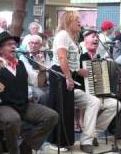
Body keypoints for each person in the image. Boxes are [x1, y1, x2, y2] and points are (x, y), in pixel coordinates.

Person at [0, 31, 58, 154]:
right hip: (2, 106)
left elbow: (38, 84)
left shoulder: (21, 64)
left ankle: (27, 144)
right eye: (8, 44)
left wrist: (42, 69)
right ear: (0, 49)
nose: (13, 46)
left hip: (23, 104)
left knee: (52, 116)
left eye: (14, 44)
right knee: (13, 119)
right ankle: (14, 151)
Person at [74, 30, 120, 153]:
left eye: (97, 38)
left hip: (98, 94)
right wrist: (78, 71)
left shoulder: (101, 59)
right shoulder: (79, 57)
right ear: (85, 40)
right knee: (94, 102)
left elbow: (104, 81)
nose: (96, 39)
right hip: (82, 93)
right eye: (93, 37)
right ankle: (87, 141)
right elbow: (71, 72)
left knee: (116, 105)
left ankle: (93, 132)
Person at [48, 11, 81, 149]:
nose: (80, 23)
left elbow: (72, 60)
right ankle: (56, 141)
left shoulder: (72, 37)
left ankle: (65, 140)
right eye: (77, 21)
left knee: (67, 108)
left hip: (67, 73)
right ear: (69, 21)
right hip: (59, 74)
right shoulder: (63, 35)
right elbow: (62, 58)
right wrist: (68, 77)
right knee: (60, 107)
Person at [19, 35, 51, 105]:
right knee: (41, 95)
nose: (33, 45)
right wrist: (41, 68)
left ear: (40, 45)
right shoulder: (23, 56)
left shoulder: (45, 54)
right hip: (32, 85)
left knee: (57, 91)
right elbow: (32, 77)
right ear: (28, 44)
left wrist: (42, 67)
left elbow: (49, 71)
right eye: (31, 43)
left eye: (36, 43)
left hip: (46, 83)